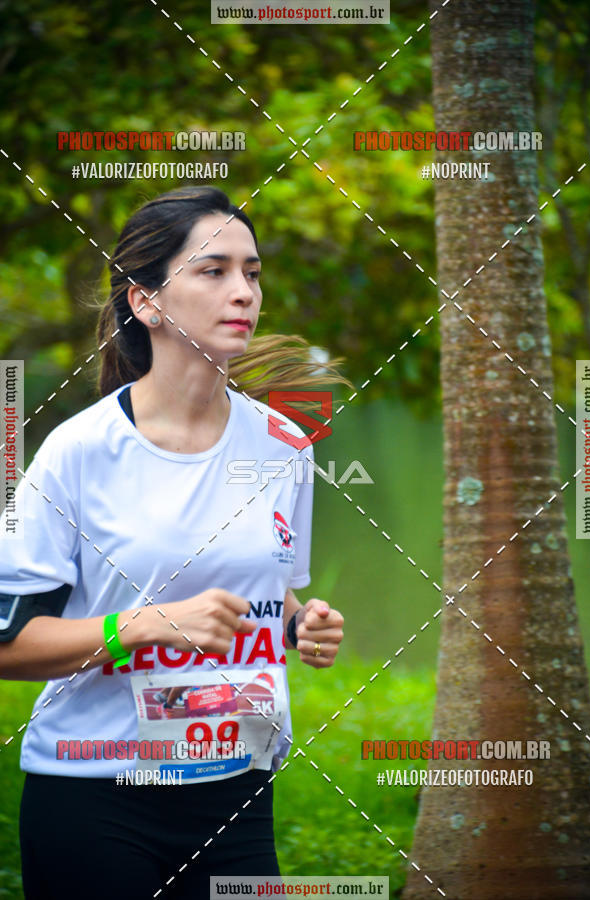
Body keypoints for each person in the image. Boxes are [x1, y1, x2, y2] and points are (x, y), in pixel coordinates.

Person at [0, 185, 347, 899]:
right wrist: (147, 625)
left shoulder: (285, 443)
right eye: (213, 271)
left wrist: (297, 624)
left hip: (237, 788)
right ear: (146, 302)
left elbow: (265, 593)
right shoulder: (78, 452)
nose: (243, 291)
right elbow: (9, 645)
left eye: (252, 272)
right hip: (96, 793)